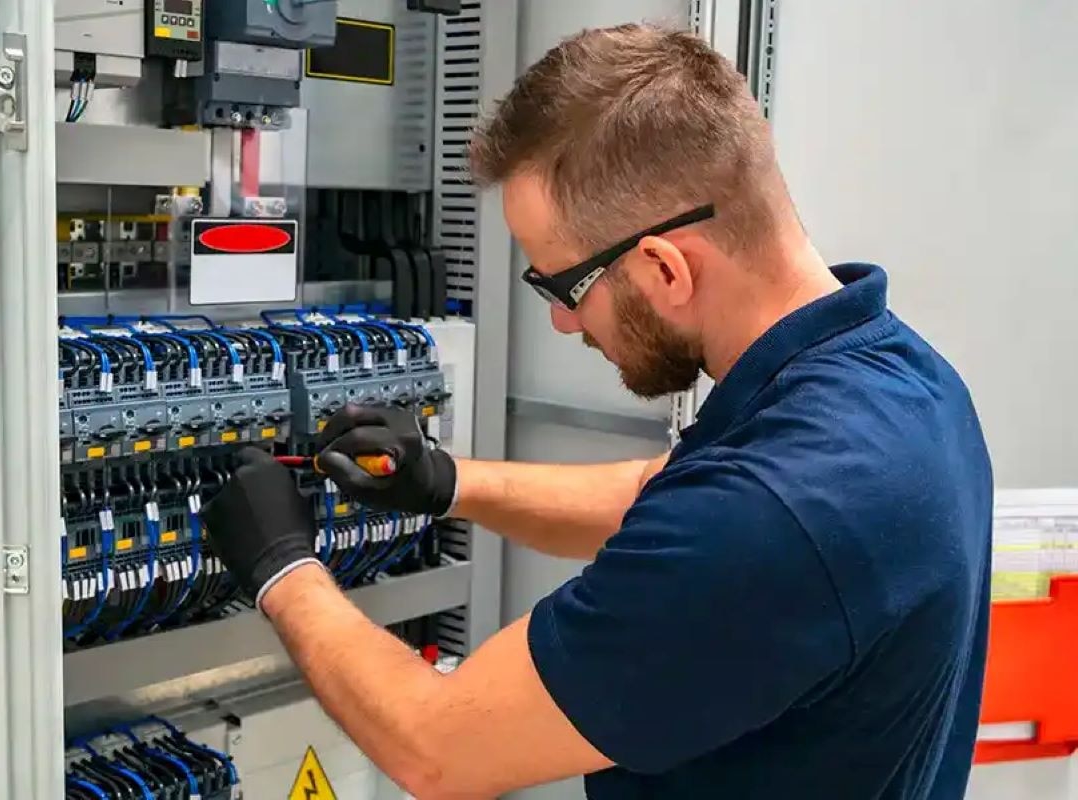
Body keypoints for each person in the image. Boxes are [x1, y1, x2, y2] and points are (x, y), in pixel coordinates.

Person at [199, 22, 993, 799]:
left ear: (665, 268)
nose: (561, 321)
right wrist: (444, 481)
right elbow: (657, 494)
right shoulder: (899, 384)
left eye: (563, 286)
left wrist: (283, 569)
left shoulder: (774, 512)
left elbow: (436, 747)